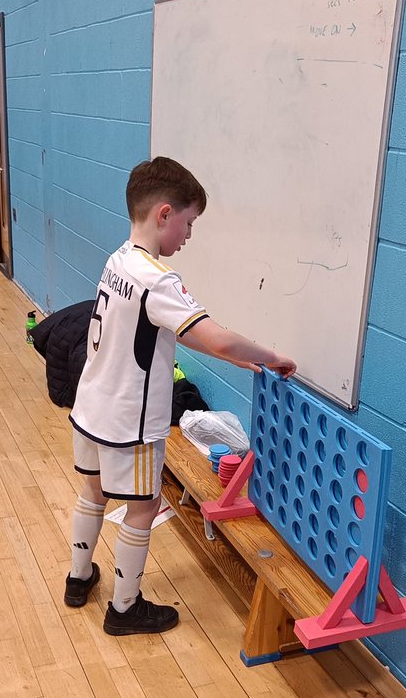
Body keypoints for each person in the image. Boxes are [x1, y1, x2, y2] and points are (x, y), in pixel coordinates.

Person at [65, 156, 296, 636]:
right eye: (189, 223)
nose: (189, 235)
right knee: (143, 508)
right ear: (164, 214)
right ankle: (125, 609)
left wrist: (232, 358)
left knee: (91, 491)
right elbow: (215, 337)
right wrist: (270, 355)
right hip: (131, 422)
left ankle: (78, 577)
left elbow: (163, 327)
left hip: (90, 409)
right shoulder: (158, 277)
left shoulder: (120, 260)